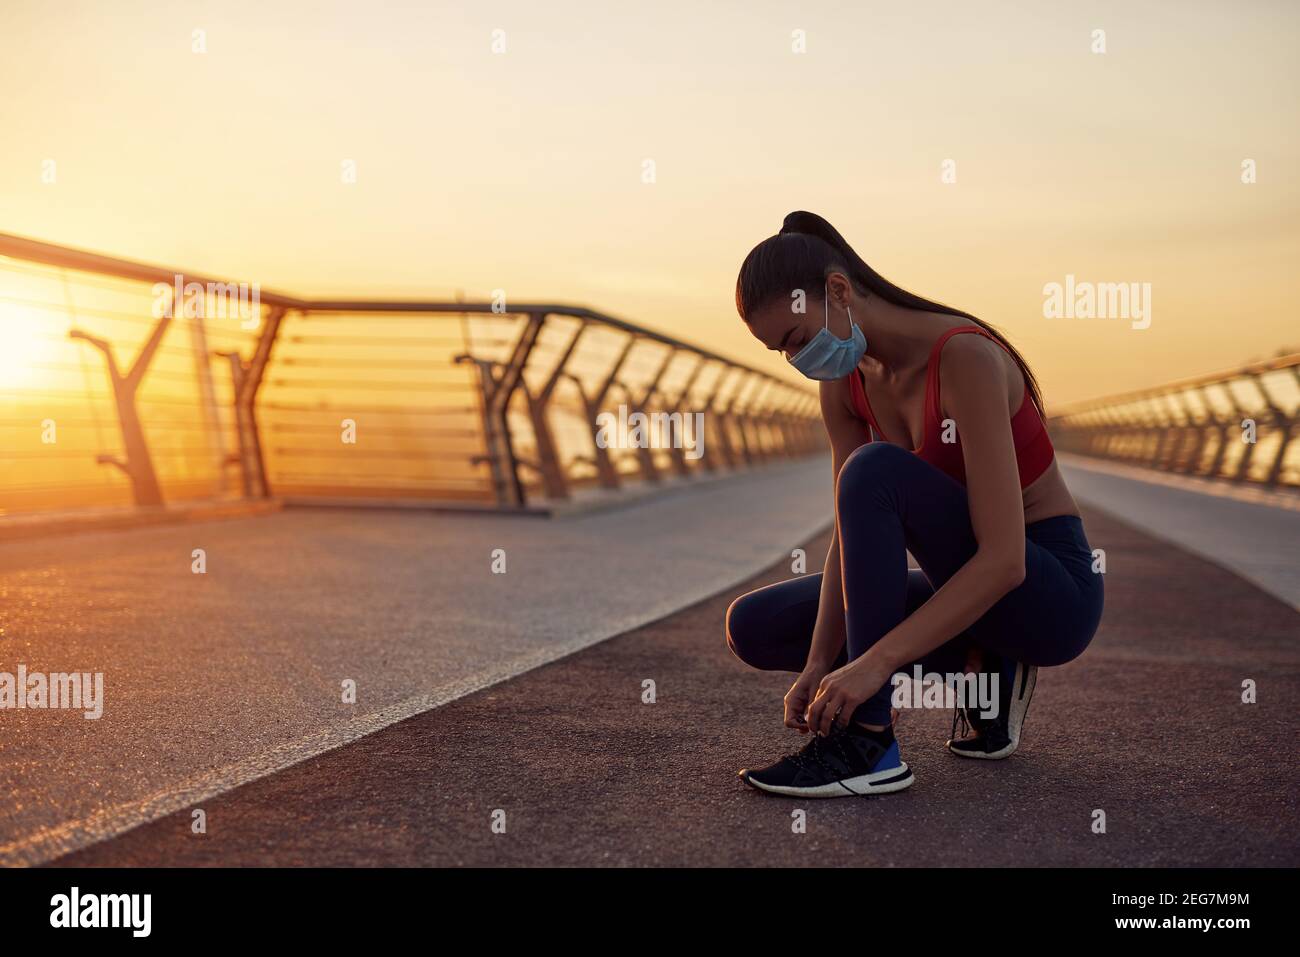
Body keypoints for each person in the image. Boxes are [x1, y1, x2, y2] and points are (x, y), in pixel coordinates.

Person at [725, 211, 1104, 798]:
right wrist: (821, 661)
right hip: (969, 587)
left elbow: (1005, 560)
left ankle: (868, 744)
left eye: (798, 339)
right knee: (755, 626)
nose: (798, 360)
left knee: (873, 469)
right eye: (782, 351)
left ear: (839, 290)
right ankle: (986, 665)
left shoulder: (965, 358)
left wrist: (875, 666)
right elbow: (849, 540)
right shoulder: (844, 382)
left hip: (1047, 592)